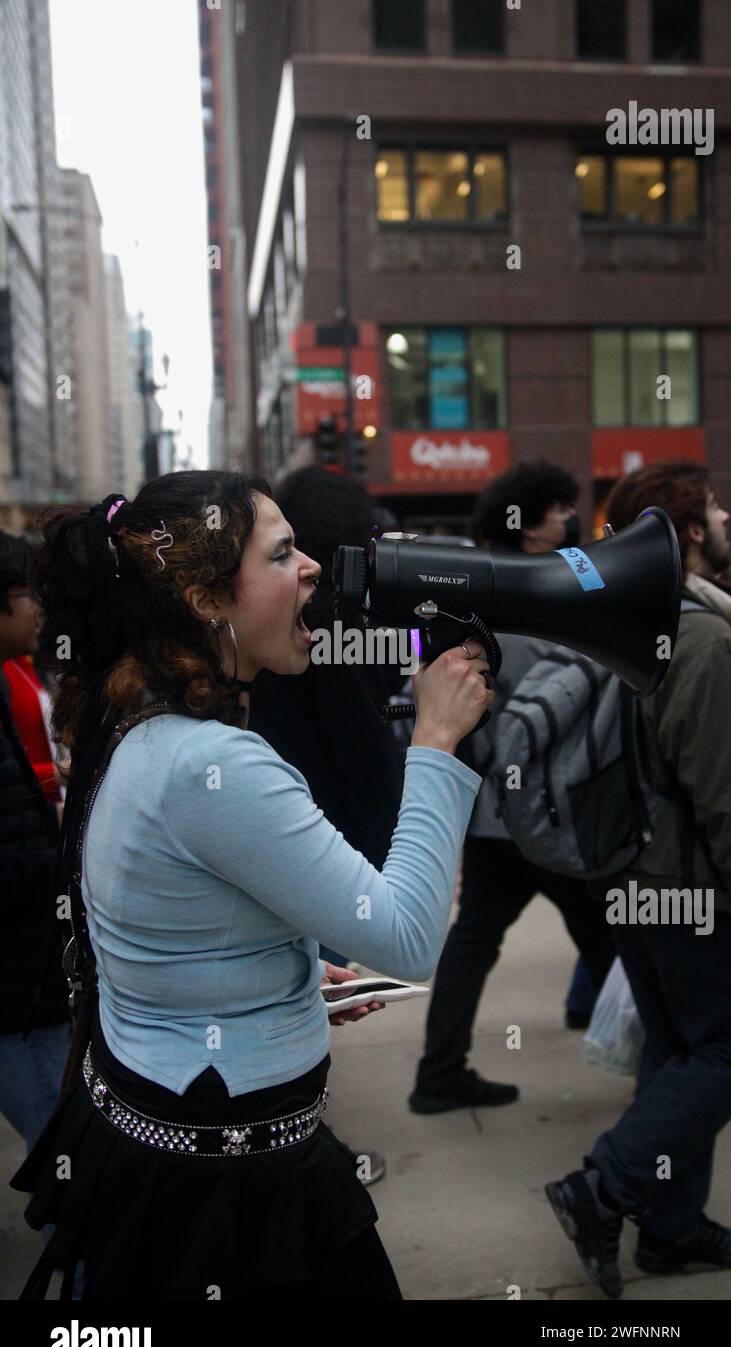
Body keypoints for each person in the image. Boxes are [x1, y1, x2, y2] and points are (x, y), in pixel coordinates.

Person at [11, 470, 493, 1301]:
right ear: (205, 600)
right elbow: (408, 935)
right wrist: (438, 742)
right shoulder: (213, 762)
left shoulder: (136, 718)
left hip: (163, 1136)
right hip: (226, 1186)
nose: (311, 567)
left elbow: (165, 935)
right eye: (280, 554)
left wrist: (294, 978)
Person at [546, 460, 731, 1299]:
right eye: (715, 506)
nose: (726, 514)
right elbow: (721, 790)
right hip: (689, 890)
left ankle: (667, 1228)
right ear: (688, 530)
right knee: (722, 1048)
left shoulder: (634, 623)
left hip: (633, 880)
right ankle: (606, 1185)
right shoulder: (703, 638)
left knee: (674, 1050)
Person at [410, 461, 615, 1114]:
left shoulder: (470, 594)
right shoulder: (548, 593)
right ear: (526, 526)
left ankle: (438, 1074)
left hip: (497, 812)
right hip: (549, 811)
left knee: (476, 938)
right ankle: (665, 1058)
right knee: (606, 936)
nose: (568, 520)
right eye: (557, 510)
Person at [249, 464, 409, 1185]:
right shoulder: (334, 619)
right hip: (320, 841)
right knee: (295, 997)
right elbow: (365, 749)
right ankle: (303, 1153)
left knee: (297, 991)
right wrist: (386, 864)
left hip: (296, 834)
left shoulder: (286, 623)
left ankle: (297, 1145)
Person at [0, 533, 70, 1153]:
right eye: (27, 595)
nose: (39, 610)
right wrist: (67, 865)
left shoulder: (13, 673)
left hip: (31, 964)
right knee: (58, 1145)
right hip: (16, 981)